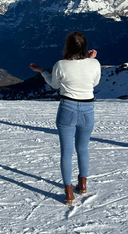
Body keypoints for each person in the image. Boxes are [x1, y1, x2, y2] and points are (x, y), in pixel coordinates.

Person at [29, 31, 101, 205]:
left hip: (67, 108)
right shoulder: (95, 63)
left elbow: (54, 85)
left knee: (66, 152)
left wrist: (41, 71)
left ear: (67, 47)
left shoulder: (60, 65)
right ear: (84, 47)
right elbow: (94, 82)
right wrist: (90, 60)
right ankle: (82, 185)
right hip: (87, 110)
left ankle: (69, 192)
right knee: (83, 149)